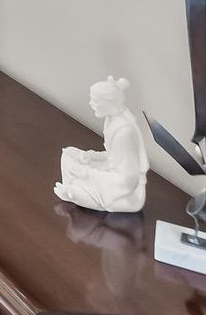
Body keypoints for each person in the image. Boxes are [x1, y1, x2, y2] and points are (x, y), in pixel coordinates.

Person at [54, 76, 149, 213]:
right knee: (70, 154)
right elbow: (113, 156)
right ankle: (74, 191)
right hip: (110, 172)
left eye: (95, 101)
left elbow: (128, 179)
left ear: (110, 102)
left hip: (123, 189)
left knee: (79, 182)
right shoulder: (111, 120)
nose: (91, 103)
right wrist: (92, 157)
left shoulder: (123, 133)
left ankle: (74, 193)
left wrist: (89, 173)